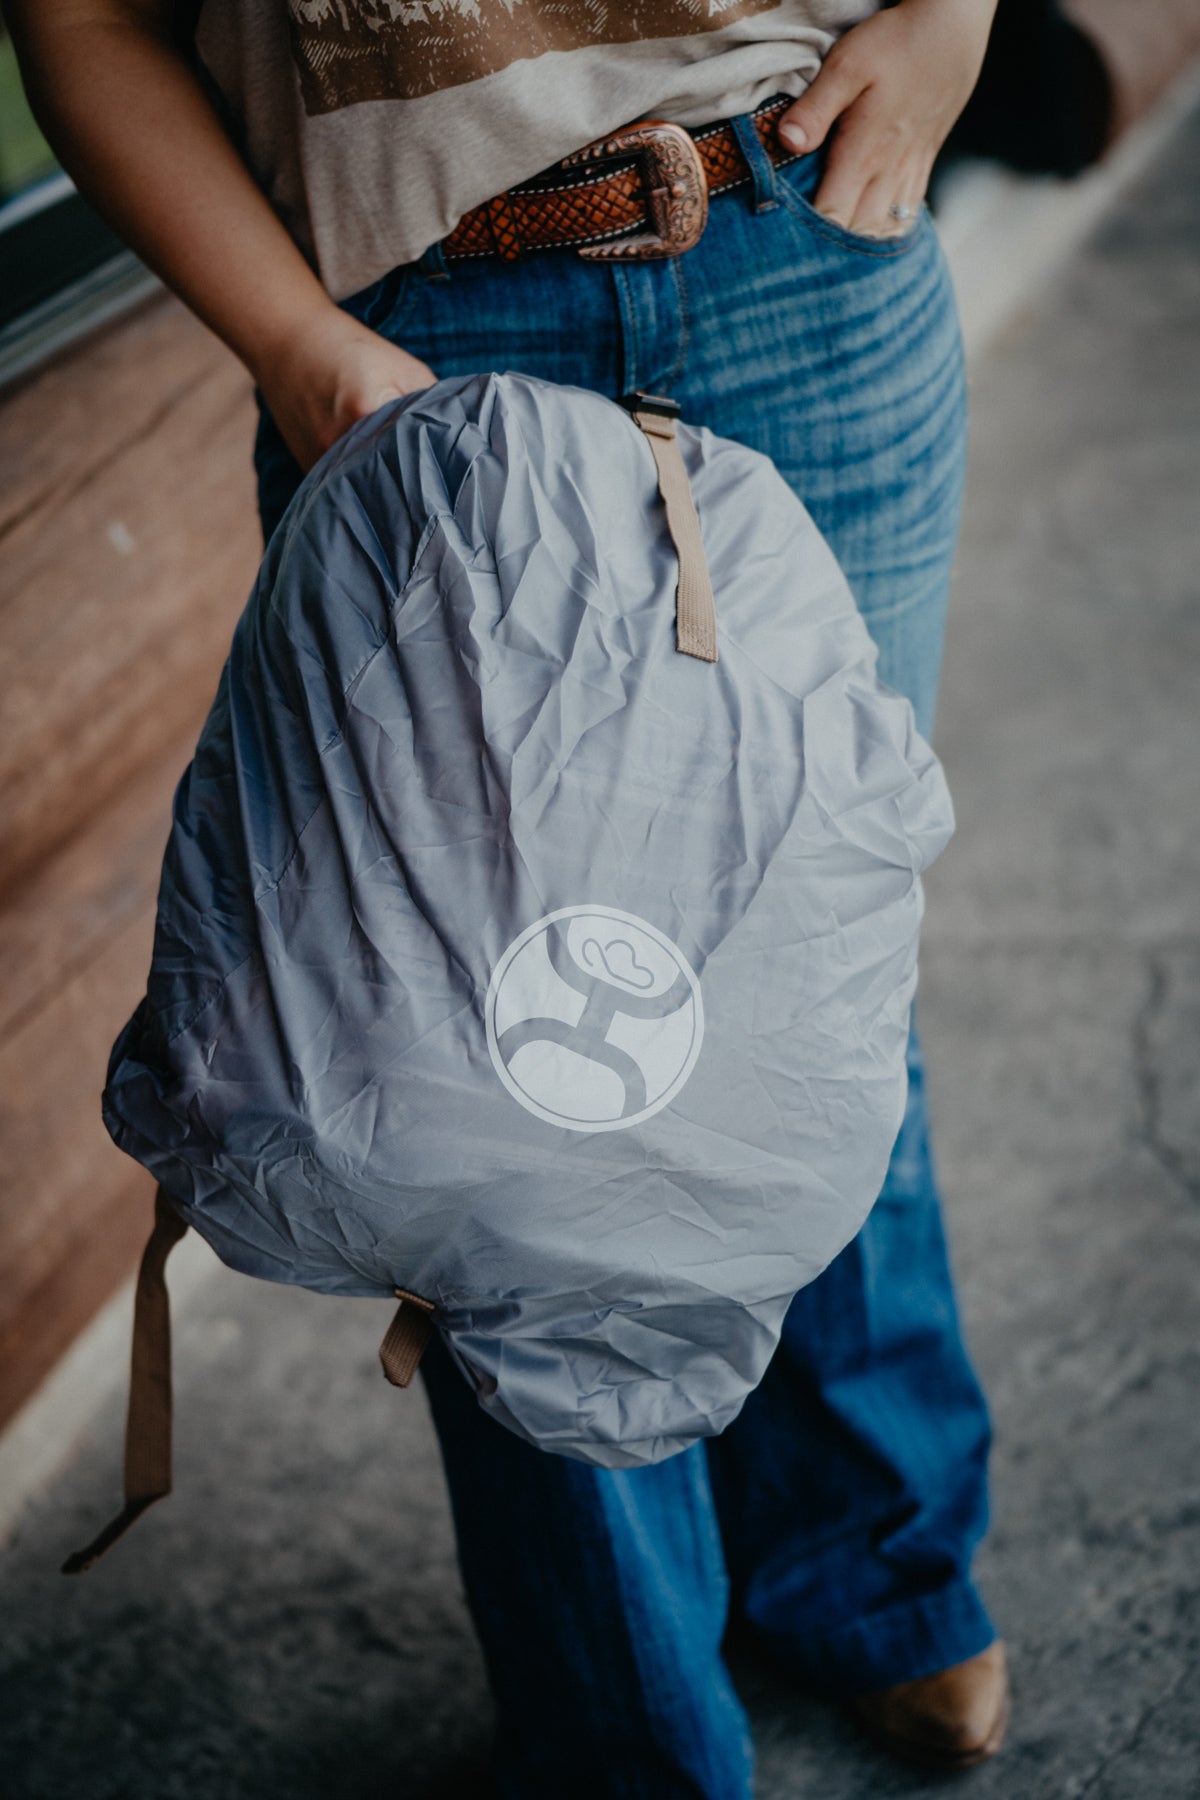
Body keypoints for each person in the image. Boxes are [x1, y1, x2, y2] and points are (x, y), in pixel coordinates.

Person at [12, 0, 1008, 1790]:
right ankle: (631, 1735)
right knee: (502, 1089)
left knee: (811, 984)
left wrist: (959, 13)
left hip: (801, 236)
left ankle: (873, 1569)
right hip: (413, 340)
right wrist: (298, 349)